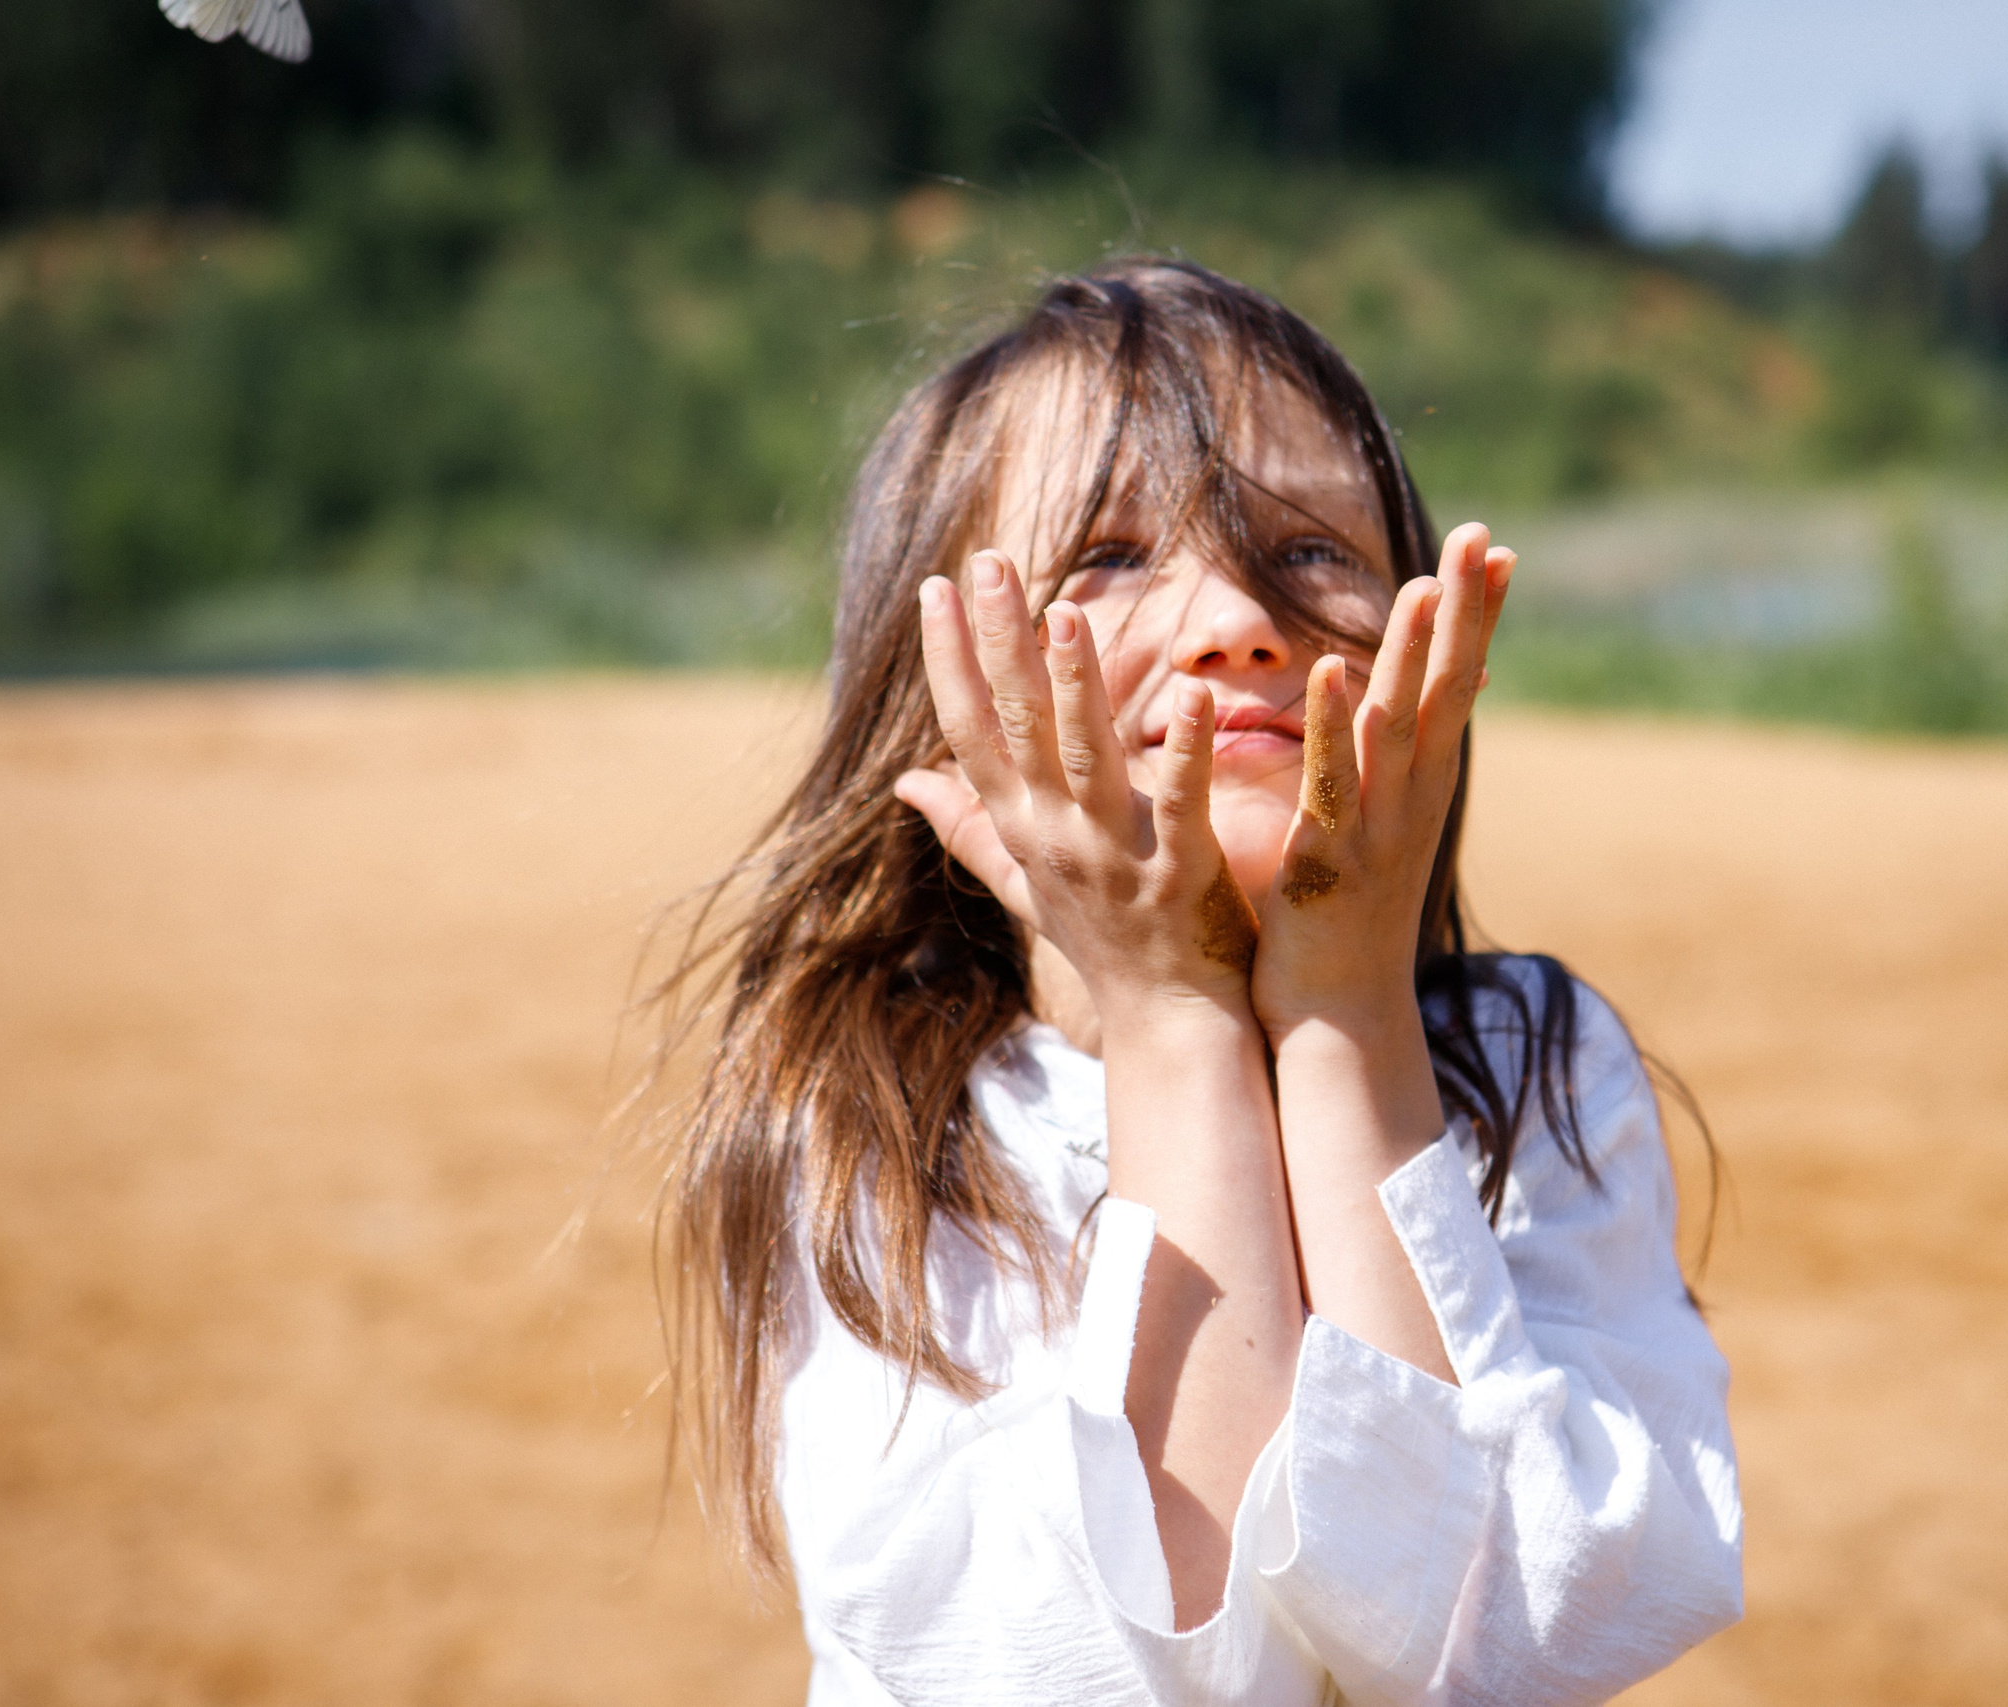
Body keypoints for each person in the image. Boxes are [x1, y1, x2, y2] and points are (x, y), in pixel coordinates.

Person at [658, 259, 1742, 1704]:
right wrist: (1175, 1023)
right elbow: (1098, 1679)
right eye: (1107, 556)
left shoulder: (1533, 1060)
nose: (1235, 617)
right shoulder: (877, 1117)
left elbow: (1504, 1643)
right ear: (938, 697)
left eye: (1310, 551)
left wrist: (1348, 1023)